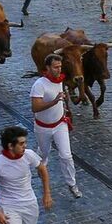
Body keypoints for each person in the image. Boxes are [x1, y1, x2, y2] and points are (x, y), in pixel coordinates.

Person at [30, 53, 82, 199]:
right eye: (55, 67)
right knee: (44, 155)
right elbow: (35, 107)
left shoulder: (61, 80)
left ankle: (72, 184)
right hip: (43, 127)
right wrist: (54, 101)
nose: (59, 70)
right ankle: (41, 164)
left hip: (60, 124)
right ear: (47, 68)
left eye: (60, 67)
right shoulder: (39, 85)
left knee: (66, 155)